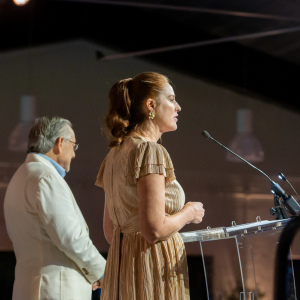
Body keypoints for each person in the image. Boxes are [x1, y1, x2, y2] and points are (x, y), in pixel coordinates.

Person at [95, 71, 205, 300]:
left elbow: (110, 231)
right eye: (172, 99)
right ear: (151, 105)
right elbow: (153, 230)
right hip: (151, 267)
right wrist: (189, 213)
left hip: (124, 265)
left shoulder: (114, 154)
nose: (179, 107)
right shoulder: (149, 151)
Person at [4, 116, 106, 300]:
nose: (74, 154)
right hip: (54, 292)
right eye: (73, 146)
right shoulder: (45, 178)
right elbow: (72, 239)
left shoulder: (21, 175)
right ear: (60, 143)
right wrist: (104, 272)